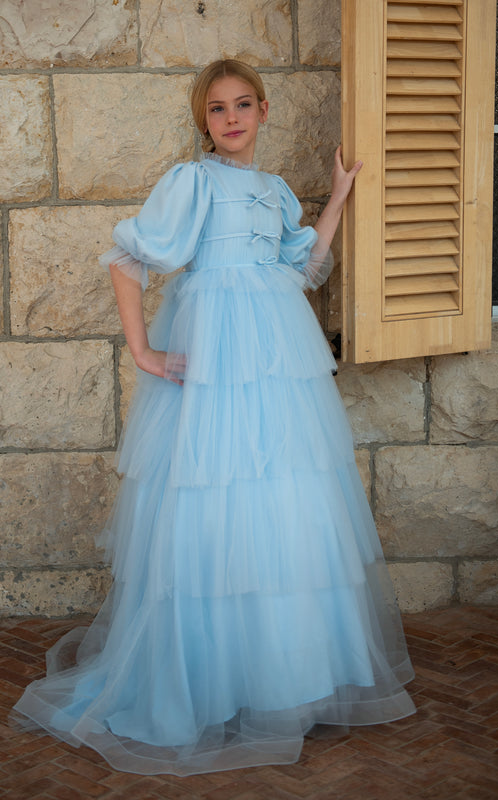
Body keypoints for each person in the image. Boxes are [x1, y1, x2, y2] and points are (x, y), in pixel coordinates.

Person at [11, 59, 415, 776]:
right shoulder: (192, 182)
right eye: (216, 108)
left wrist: (338, 200)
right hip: (214, 357)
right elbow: (126, 256)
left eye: (242, 105)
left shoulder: (275, 190)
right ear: (205, 121)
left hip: (275, 362)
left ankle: (281, 680)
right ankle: (205, 683)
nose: (229, 118)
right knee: (210, 508)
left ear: (263, 110)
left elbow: (302, 270)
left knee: (281, 503)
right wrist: (142, 350)